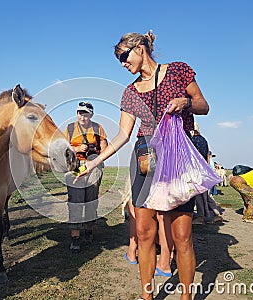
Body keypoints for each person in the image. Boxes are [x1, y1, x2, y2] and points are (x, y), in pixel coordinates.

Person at [75, 31, 210, 300]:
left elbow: (204, 106)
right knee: (144, 232)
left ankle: (186, 297)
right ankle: (147, 296)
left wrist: (186, 103)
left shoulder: (178, 71)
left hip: (176, 157)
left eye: (124, 57)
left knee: (182, 234)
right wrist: (94, 163)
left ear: (139, 48)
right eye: (120, 61)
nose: (123, 64)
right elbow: (123, 135)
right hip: (144, 158)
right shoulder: (130, 92)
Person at [64, 101, 108, 253]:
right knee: (75, 200)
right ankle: (75, 237)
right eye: (80, 113)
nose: (83, 116)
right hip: (75, 167)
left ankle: (88, 232)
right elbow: (63, 149)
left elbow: (105, 148)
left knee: (91, 199)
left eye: (86, 113)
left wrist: (95, 157)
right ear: (77, 114)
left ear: (91, 114)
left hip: (93, 167)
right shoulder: (69, 128)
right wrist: (76, 149)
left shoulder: (98, 128)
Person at [190, 125, 222, 225]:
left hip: (195, 169)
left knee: (198, 194)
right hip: (203, 168)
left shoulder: (192, 140)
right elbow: (207, 155)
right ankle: (216, 214)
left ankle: (200, 217)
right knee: (206, 194)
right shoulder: (203, 140)